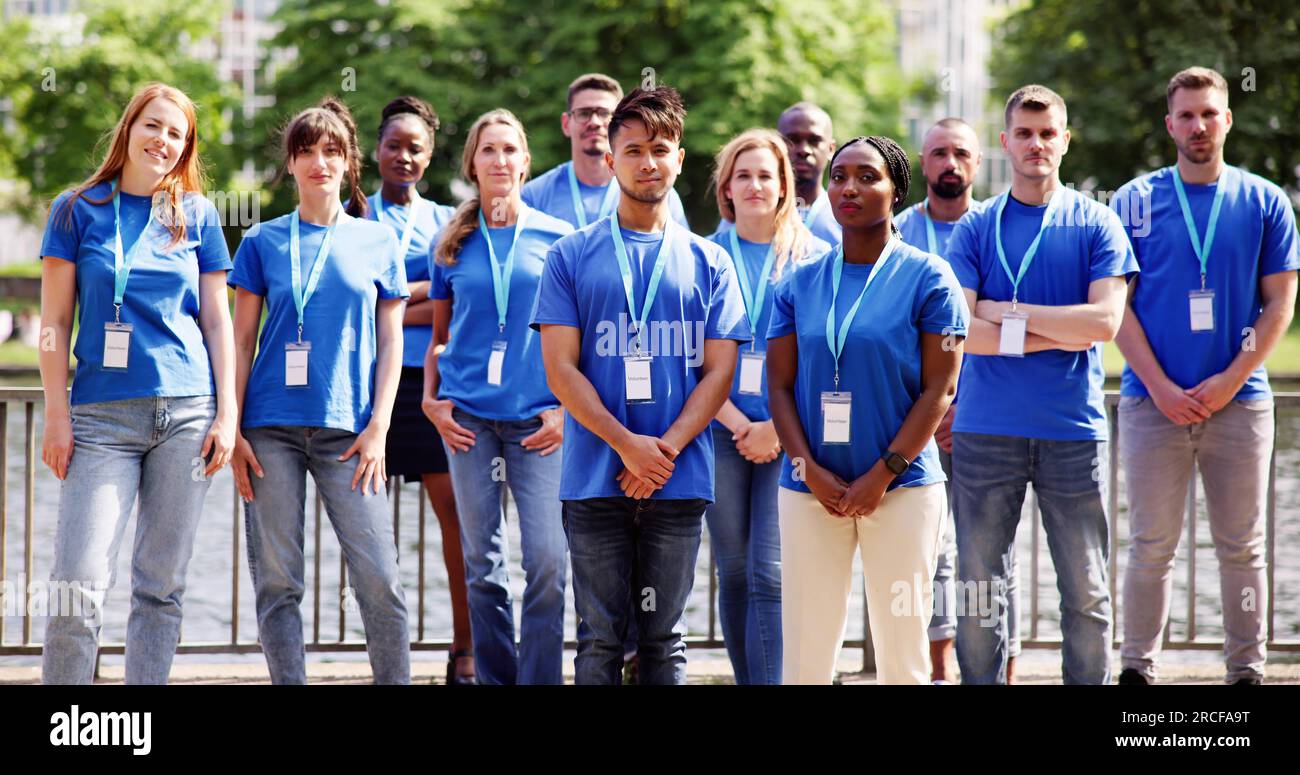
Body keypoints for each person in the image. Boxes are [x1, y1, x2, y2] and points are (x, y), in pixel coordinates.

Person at [531, 86, 750, 685]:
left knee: (664, 641)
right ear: (610, 157)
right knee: (598, 641)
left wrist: (665, 451)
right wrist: (627, 444)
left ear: (680, 157)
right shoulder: (569, 255)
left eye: (660, 149)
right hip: (594, 474)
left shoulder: (712, 262)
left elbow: (719, 373)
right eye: (633, 150)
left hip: (678, 479)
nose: (647, 162)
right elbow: (561, 369)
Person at [38, 82, 236, 684]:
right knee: (79, 585)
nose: (163, 140)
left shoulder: (197, 215)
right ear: (128, 128)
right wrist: (56, 414)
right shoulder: (75, 210)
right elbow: (51, 325)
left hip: (187, 416)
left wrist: (228, 414)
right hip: (100, 420)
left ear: (186, 148)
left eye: (177, 133)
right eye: (153, 125)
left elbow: (217, 319)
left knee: (161, 587)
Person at [946, 85, 1137, 685]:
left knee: (1086, 590)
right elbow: (961, 335)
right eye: (1024, 134)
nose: (1036, 144)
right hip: (985, 430)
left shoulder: (1097, 222)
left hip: (1070, 432)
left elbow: (1104, 323)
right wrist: (1057, 330)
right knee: (979, 593)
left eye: (1047, 133)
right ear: (1005, 143)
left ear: (1065, 140)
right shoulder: (976, 227)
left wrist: (1008, 312)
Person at [1113, 67, 1298, 686]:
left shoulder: (1266, 201)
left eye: (1209, 114)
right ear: (1170, 125)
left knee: (1243, 547)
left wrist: (1229, 378)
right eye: (1186, 115)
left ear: (1228, 119)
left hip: (1240, 403)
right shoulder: (1133, 201)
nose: (1198, 126)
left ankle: (1246, 670)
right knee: (1149, 547)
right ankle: (1137, 668)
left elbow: (1278, 304)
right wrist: (1161, 387)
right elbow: (1118, 308)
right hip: (1149, 403)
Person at [768, 135, 967, 685]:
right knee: (806, 656)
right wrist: (809, 470)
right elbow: (779, 388)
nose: (848, 187)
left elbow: (939, 391)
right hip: (810, 489)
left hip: (902, 489)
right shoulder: (799, 282)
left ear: (896, 191)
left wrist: (882, 475)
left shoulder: (931, 279)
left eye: (866, 176)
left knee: (903, 655)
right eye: (839, 176)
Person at [229, 96, 411, 684]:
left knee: (379, 579)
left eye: (331, 151)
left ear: (349, 162)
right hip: (268, 430)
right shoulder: (261, 241)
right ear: (290, 162)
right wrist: (231, 429)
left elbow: (393, 344)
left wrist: (380, 425)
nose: (319, 162)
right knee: (279, 583)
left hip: (351, 434)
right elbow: (241, 339)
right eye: (306, 150)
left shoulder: (378, 242)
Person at [422, 109, 574, 685]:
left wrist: (566, 411)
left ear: (525, 162)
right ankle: (495, 678)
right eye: (489, 150)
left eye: (510, 149)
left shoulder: (558, 241)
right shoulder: (453, 243)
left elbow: (574, 341)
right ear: (473, 164)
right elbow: (440, 337)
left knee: (547, 563)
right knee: (482, 566)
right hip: (470, 422)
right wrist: (432, 404)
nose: (501, 160)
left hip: (539, 423)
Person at [895, 117, 1021, 683]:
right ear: (923, 163)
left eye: (961, 153)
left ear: (978, 162)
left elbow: (1001, 325)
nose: (950, 163)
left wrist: (960, 405)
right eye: (938, 153)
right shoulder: (895, 231)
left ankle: (1005, 663)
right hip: (913, 418)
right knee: (930, 548)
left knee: (993, 551)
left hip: (986, 414)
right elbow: (890, 329)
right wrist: (934, 408)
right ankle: (938, 663)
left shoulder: (998, 228)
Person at [705, 128, 829, 684]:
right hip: (718, 432)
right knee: (732, 572)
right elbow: (689, 359)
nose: (755, 185)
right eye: (743, 175)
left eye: (766, 175)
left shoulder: (815, 259)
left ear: (785, 187)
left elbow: (827, 357)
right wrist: (737, 423)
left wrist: (774, 431)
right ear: (725, 188)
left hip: (791, 437)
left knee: (771, 572)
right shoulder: (704, 257)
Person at [365, 95, 475, 685]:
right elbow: (355, 299)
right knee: (367, 529)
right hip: (368, 385)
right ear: (376, 151)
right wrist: (414, 297)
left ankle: (465, 649)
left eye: (416, 149)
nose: (403, 156)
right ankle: (388, 660)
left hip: (433, 382)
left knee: (455, 519)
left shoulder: (446, 221)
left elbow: (451, 300)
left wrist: (391, 301)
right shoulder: (353, 216)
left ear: (429, 157)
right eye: (393, 146)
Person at [523, 73, 690, 230]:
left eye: (604, 113)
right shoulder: (534, 195)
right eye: (584, 113)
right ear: (566, 123)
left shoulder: (657, 192)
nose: (594, 122)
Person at [711, 102, 842, 246]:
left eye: (814, 141)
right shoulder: (743, 212)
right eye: (793, 140)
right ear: (778, 145)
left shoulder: (844, 216)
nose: (804, 150)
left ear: (831, 148)